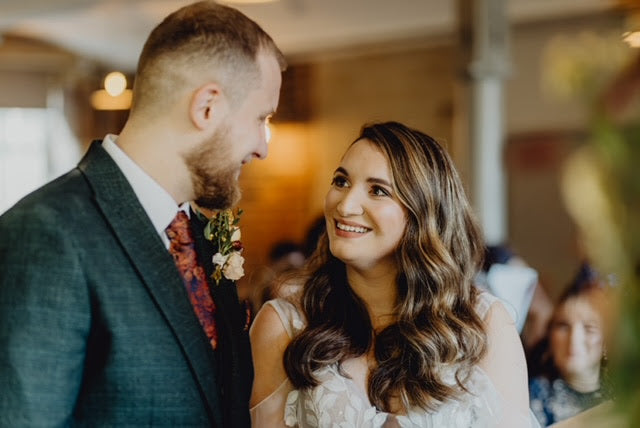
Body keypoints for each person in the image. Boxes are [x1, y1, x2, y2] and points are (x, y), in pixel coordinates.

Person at [0, 1, 285, 426]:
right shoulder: (47, 232)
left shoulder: (203, 237)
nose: (263, 146)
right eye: (261, 118)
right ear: (207, 107)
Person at [249, 122, 540, 427]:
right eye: (341, 181)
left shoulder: (481, 323)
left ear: (422, 213)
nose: (345, 205)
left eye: (377, 190)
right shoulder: (285, 326)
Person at [529, 263, 612, 427]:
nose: (574, 339)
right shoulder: (532, 395)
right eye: (563, 326)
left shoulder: (624, 397)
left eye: (589, 328)